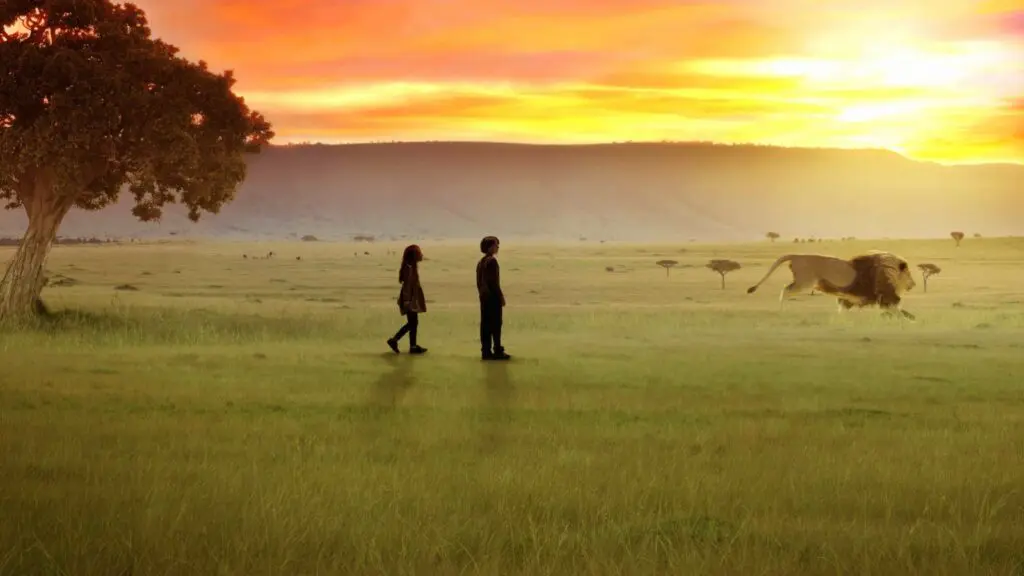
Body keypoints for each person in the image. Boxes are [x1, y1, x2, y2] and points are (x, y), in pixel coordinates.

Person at [387, 244, 428, 355]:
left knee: (413, 323)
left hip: (412, 298)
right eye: (419, 253)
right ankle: (395, 340)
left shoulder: (411, 267)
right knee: (412, 323)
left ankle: (412, 346)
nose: (421, 255)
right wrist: (407, 302)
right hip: (410, 299)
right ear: (414, 256)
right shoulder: (409, 269)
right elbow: (407, 287)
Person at [477, 236, 510, 360]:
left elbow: (479, 282)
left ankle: (486, 350)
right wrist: (500, 297)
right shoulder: (492, 261)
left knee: (485, 325)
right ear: (490, 247)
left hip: (484, 297)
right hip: (492, 298)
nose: (498, 247)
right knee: (496, 324)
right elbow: (494, 283)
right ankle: (497, 350)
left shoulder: (481, 262)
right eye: (496, 245)